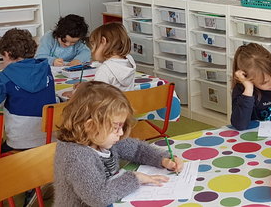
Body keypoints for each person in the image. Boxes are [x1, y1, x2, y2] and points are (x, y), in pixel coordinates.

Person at [54, 81, 183, 207]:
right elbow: (98, 197)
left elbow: (137, 149)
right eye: (116, 127)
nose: (120, 132)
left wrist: (162, 159)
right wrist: (135, 178)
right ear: (91, 125)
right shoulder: (77, 157)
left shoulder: (101, 137)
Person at [0, 28, 56, 150]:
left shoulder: (4, 76)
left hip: (20, 142)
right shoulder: (45, 69)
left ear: (7, 53)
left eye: (3, 58)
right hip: (49, 138)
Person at [90, 23, 136, 91]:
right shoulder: (129, 60)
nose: (92, 49)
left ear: (103, 41)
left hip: (110, 101)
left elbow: (97, 96)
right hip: (126, 101)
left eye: (93, 45)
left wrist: (81, 91)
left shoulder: (105, 69)